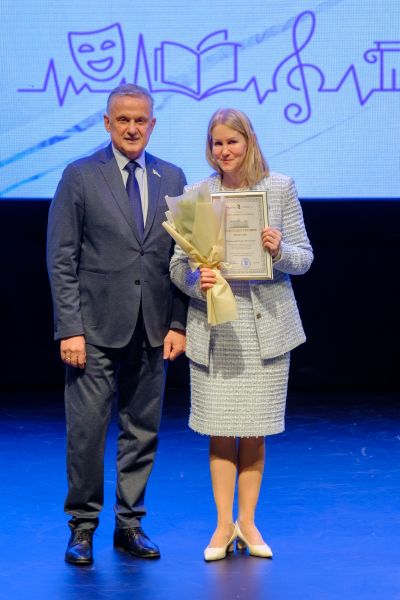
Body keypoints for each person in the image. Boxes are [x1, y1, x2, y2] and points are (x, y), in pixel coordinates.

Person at [47, 83, 187, 565]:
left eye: (140, 120)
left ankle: (130, 525)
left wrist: (177, 323)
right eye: (122, 119)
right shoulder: (80, 175)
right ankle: (82, 527)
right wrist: (70, 328)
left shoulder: (172, 177)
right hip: (93, 330)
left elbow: (184, 258)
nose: (132, 128)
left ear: (152, 124)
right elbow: (61, 258)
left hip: (153, 328)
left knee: (142, 430)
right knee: (86, 432)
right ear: (107, 123)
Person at [170, 108, 313, 561]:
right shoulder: (197, 195)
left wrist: (279, 248)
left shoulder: (279, 188)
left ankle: (247, 524)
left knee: (254, 432)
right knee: (219, 431)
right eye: (217, 143)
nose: (224, 151)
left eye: (232, 141)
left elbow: (304, 258)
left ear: (248, 142)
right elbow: (177, 267)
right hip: (216, 330)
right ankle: (222, 524)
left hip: (265, 329)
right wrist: (197, 280)